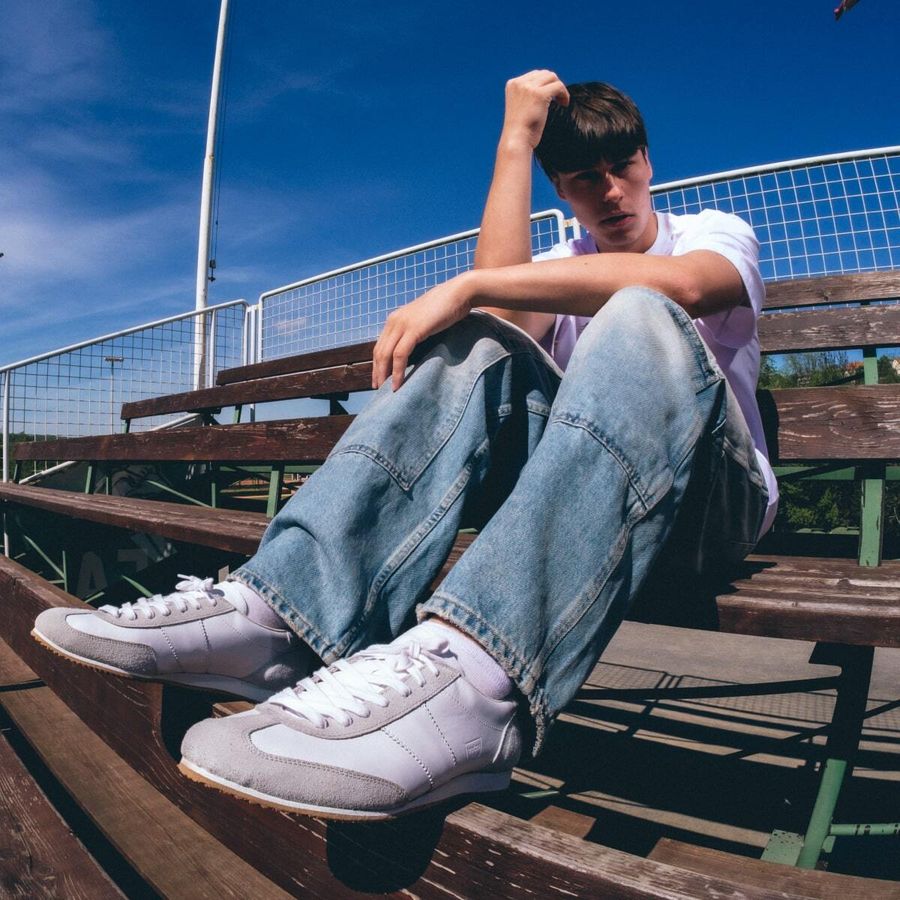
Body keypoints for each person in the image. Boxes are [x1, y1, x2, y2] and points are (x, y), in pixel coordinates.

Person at [32, 70, 777, 820]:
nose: (612, 191)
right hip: (590, 519)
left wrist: (462, 287)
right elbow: (504, 320)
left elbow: (685, 286)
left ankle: (477, 686)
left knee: (640, 309)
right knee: (478, 341)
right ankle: (278, 619)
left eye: (624, 167)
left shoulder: (714, 232)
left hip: (707, 515)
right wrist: (514, 141)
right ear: (560, 188)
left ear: (648, 160)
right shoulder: (559, 267)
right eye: (586, 178)